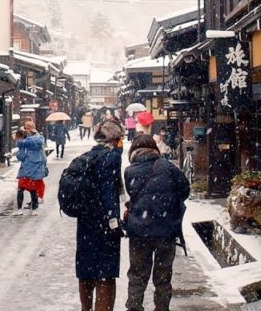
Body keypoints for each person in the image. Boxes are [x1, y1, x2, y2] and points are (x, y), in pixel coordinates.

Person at [123, 135, 190, 311]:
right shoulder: (168, 167)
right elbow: (184, 190)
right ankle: (161, 308)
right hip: (165, 230)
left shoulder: (130, 171)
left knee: (137, 275)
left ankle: (134, 307)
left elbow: (133, 195)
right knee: (163, 276)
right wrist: (168, 203)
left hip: (139, 231)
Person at [76, 119, 125, 311]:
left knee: (86, 270)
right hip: (103, 222)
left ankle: (86, 307)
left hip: (86, 220)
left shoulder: (88, 156)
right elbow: (108, 190)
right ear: (113, 139)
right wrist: (113, 220)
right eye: (119, 139)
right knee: (106, 271)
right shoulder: (111, 157)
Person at [14, 126, 47, 215]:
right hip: (35, 170)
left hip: (25, 169)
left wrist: (19, 151)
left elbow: (21, 156)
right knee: (33, 190)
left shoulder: (24, 144)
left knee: (21, 189)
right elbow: (43, 157)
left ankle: (19, 209)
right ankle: (34, 209)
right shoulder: (39, 142)